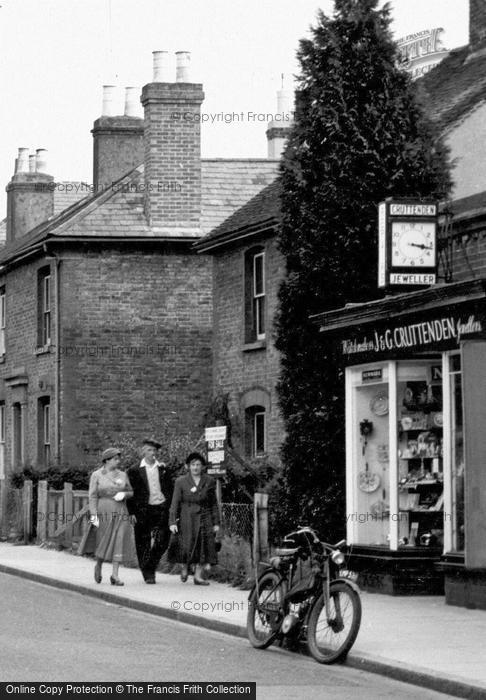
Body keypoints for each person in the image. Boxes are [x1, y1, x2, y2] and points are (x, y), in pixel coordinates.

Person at [78, 447, 133, 586]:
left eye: (118, 458)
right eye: (115, 459)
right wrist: (93, 514)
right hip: (103, 511)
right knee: (104, 540)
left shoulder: (123, 474)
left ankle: (115, 575)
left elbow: (131, 491)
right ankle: (99, 564)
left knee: (119, 539)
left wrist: (125, 494)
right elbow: (93, 496)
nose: (118, 461)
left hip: (120, 511)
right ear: (107, 460)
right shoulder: (97, 475)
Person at [169, 452, 220, 585]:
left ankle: (198, 576)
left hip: (204, 516)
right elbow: (175, 503)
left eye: (198, 465)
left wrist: (216, 522)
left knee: (203, 546)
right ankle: (184, 567)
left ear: (202, 466)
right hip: (187, 516)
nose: (196, 467)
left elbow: (213, 503)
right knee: (187, 545)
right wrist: (172, 521)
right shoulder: (180, 481)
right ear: (188, 466)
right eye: (193, 465)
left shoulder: (209, 481)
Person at [126, 439, 173, 584]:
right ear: (143, 452)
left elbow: (170, 489)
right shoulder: (134, 470)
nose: (152, 453)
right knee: (142, 541)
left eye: (154, 451)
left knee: (164, 539)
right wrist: (131, 512)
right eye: (149, 450)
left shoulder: (163, 469)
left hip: (161, 507)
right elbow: (130, 492)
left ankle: (150, 564)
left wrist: (170, 507)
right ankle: (148, 574)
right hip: (143, 509)